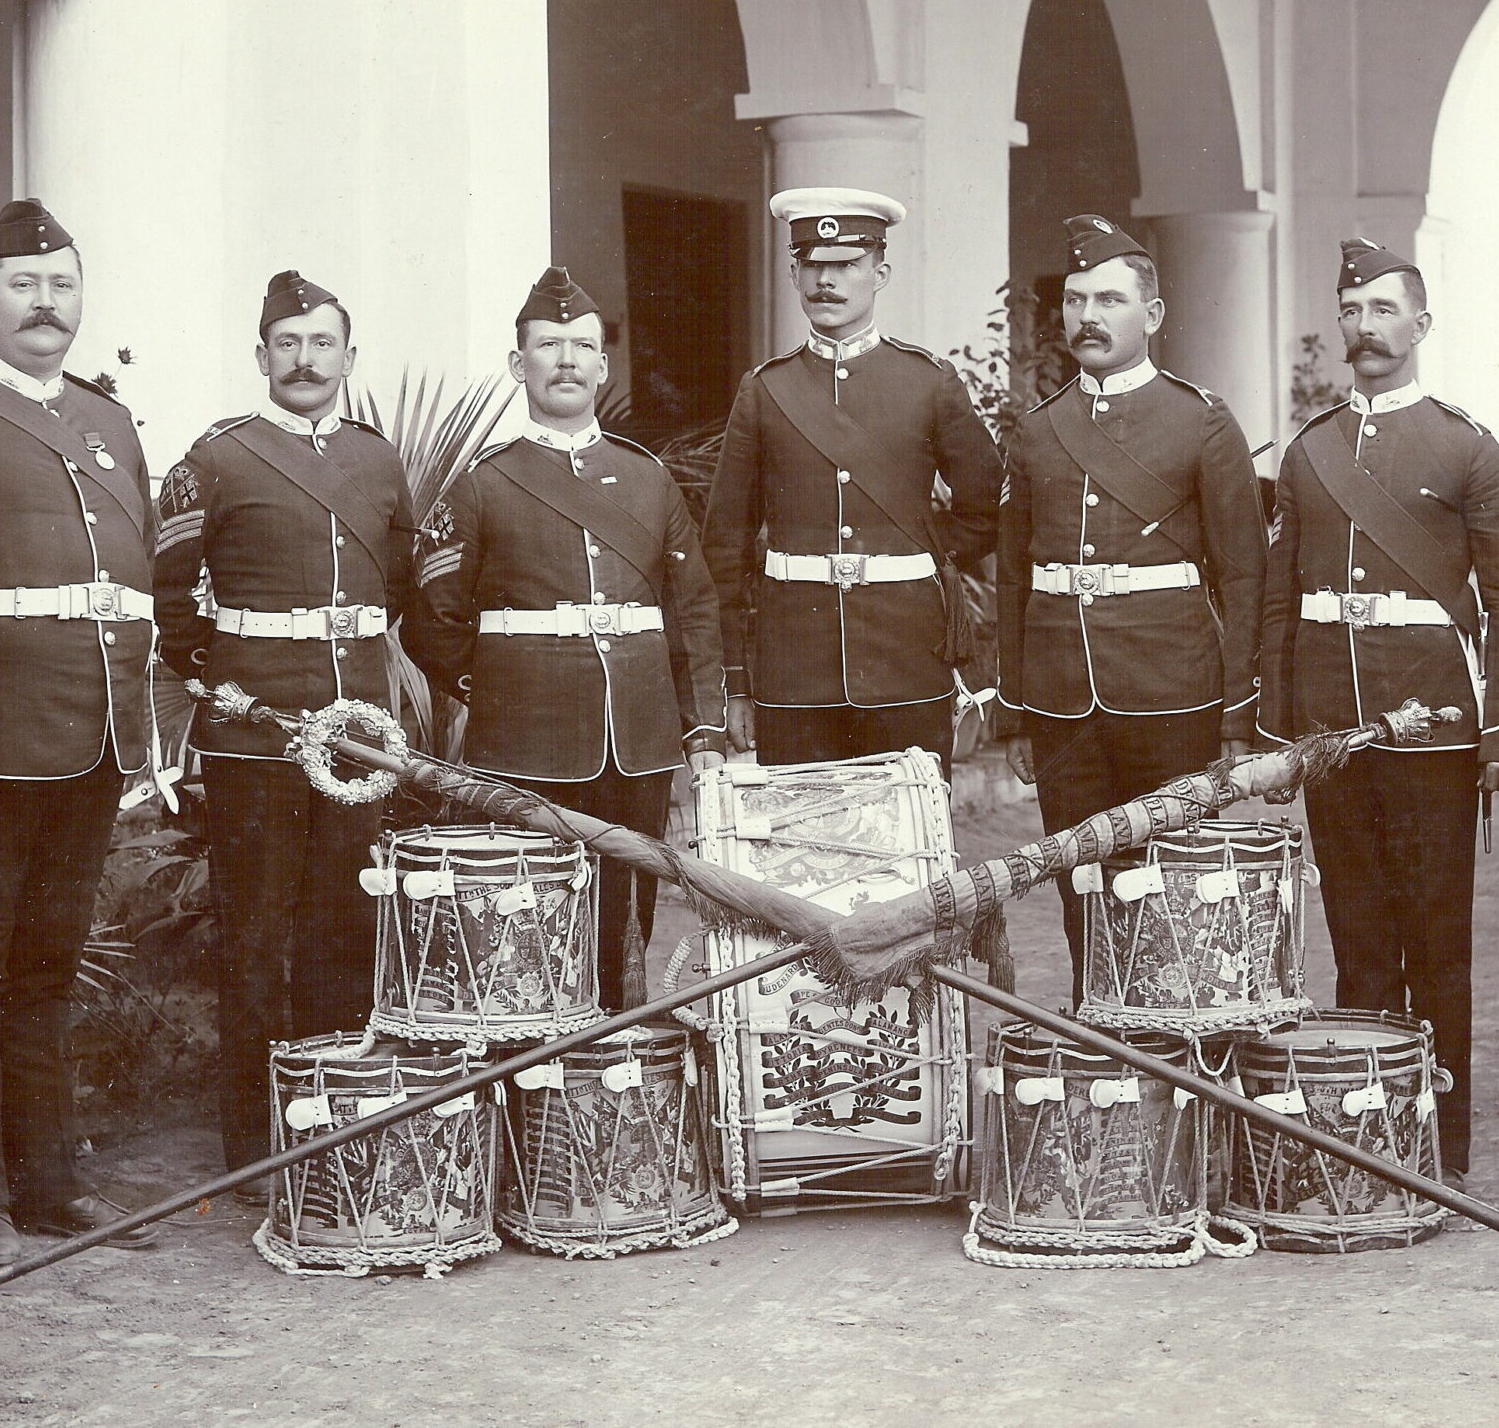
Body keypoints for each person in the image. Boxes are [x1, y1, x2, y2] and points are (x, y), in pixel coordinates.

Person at [0, 200, 163, 1267]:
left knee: (49, 967)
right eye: (23, 284)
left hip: (91, 734)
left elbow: (134, 585)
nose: (46, 303)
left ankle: (51, 1181)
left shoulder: (109, 425)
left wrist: (143, 733)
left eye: (61, 284)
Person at [1256, 236, 1499, 1187]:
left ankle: (1442, 1148)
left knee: (1437, 941)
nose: (1366, 330)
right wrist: (1280, 731)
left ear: (1421, 324)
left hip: (1436, 730)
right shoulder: (1311, 450)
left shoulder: (1465, 444)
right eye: (1352, 311)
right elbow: (1279, 597)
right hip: (1336, 733)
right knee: (1359, 939)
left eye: (1384, 311)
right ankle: (1371, 1139)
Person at [153, 270, 419, 1178]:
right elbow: (170, 594)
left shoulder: (379, 460)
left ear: (350, 355)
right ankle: (254, 1143)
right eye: (288, 344)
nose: (306, 361)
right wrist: (214, 681)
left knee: (344, 925)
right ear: (261, 355)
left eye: (323, 344)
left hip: (355, 737)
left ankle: (333, 1124)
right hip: (255, 729)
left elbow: (402, 581)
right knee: (258, 933)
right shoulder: (216, 456)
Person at [410, 268, 727, 1008]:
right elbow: (432, 618)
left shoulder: (647, 478)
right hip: (526, 742)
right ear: (518, 364)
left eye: (583, 345)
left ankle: (613, 1066)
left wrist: (703, 724)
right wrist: (499, 688)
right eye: (548, 345)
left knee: (628, 920)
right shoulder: (483, 482)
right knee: (528, 918)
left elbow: (695, 609)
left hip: (638, 740)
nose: (567, 359)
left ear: (603, 366)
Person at [999, 216, 1265, 1002]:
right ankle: (1101, 1029)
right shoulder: (1040, 429)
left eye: (1109, 299)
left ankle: (1177, 1052)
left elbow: (1245, 575)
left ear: (1151, 316)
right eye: (1076, 299)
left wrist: (1237, 713)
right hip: (1061, 696)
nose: (1088, 315)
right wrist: (1015, 708)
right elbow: (1015, 578)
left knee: (1175, 883)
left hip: (1172, 691)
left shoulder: (1201, 421)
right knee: (1079, 877)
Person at [703, 188, 999, 773]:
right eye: (812, 264)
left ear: (879, 273)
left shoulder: (929, 382)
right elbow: (724, 547)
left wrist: (921, 558)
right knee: (802, 840)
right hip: (794, 663)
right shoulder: (765, 390)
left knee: (911, 836)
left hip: (907, 654)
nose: (826, 281)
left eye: (845, 265)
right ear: (793, 273)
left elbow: (985, 504)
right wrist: (736, 682)